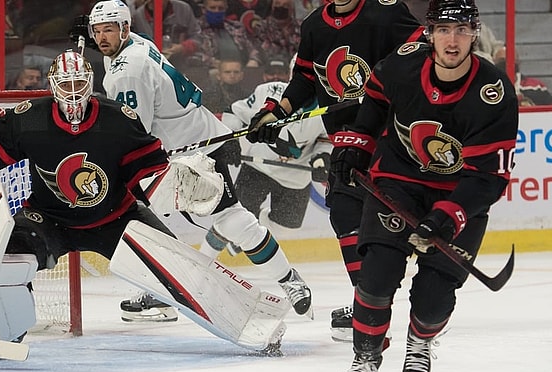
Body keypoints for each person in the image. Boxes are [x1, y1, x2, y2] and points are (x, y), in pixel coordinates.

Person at [0, 49, 288, 358]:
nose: (73, 93)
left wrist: (187, 186)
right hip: (48, 218)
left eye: (79, 84)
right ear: (53, 86)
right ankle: (1, 331)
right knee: (8, 264)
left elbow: (148, 173)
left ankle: (251, 320)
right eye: (66, 85)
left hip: (117, 218)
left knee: (180, 269)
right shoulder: (30, 119)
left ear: (90, 83)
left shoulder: (116, 120)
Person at [76, 0, 312, 322]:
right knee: (149, 219)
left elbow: (135, 131)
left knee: (231, 221)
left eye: (109, 30)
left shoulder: (127, 72)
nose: (102, 37)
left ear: (125, 29)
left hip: (193, 155)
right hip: (190, 143)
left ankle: (288, 280)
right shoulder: (137, 44)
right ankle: (165, 291)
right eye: (97, 31)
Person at [329, 0, 517, 372]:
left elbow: (489, 176)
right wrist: (357, 144)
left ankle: (421, 339)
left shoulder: (493, 93)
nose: (453, 40)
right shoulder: (403, 64)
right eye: (444, 30)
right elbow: (376, 100)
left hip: (458, 193)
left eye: (462, 30)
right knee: (376, 278)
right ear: (430, 33)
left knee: (434, 300)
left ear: (475, 33)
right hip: (398, 183)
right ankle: (366, 358)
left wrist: (449, 216)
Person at [245, 0, 423, 342]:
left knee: (385, 217)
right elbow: (305, 78)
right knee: (344, 212)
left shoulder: (385, 11)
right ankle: (367, 303)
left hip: (390, 133)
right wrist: (276, 113)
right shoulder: (315, 25)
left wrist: (389, 86)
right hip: (347, 136)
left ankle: (387, 301)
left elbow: (422, 51)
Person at [222, 74, 332, 235]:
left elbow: (326, 139)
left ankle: (254, 226)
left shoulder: (327, 107)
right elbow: (234, 112)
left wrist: (322, 158)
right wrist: (230, 139)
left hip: (296, 177)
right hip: (258, 167)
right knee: (234, 216)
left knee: (285, 228)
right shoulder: (269, 91)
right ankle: (211, 249)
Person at [131, 0, 202, 68]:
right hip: (153, 66)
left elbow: (198, 37)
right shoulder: (138, 16)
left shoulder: (183, 9)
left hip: (184, 64)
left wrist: (182, 47)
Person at [198, 0, 262, 69]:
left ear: (226, 9)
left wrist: (253, 60)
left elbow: (253, 49)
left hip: (240, 70)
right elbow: (194, 55)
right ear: (204, 9)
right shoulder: (196, 29)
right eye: (212, 8)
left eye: (221, 8)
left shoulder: (236, 27)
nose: (217, 11)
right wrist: (213, 62)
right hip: (210, 71)